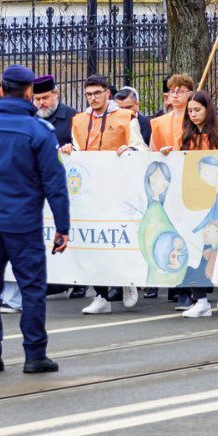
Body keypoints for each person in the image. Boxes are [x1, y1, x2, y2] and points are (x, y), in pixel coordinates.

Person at [0, 65, 71, 374]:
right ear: (28, 92)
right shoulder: (39, 131)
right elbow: (55, 184)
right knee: (32, 290)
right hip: (24, 226)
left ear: (2, 90)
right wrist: (62, 228)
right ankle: (35, 356)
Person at [151, 89, 218, 317]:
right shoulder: (184, 136)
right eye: (189, 110)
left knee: (212, 249)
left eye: (197, 110)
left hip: (217, 202)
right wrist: (166, 154)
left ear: (207, 109)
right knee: (194, 249)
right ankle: (200, 300)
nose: (192, 114)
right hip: (192, 201)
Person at [62, 75, 141, 316]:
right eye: (89, 94)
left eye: (97, 93)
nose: (93, 98)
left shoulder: (126, 118)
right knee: (93, 243)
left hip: (117, 188)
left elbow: (141, 147)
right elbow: (76, 148)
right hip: (89, 190)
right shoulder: (79, 120)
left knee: (118, 237)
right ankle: (101, 295)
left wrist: (130, 149)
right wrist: (68, 149)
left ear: (108, 93)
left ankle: (128, 279)